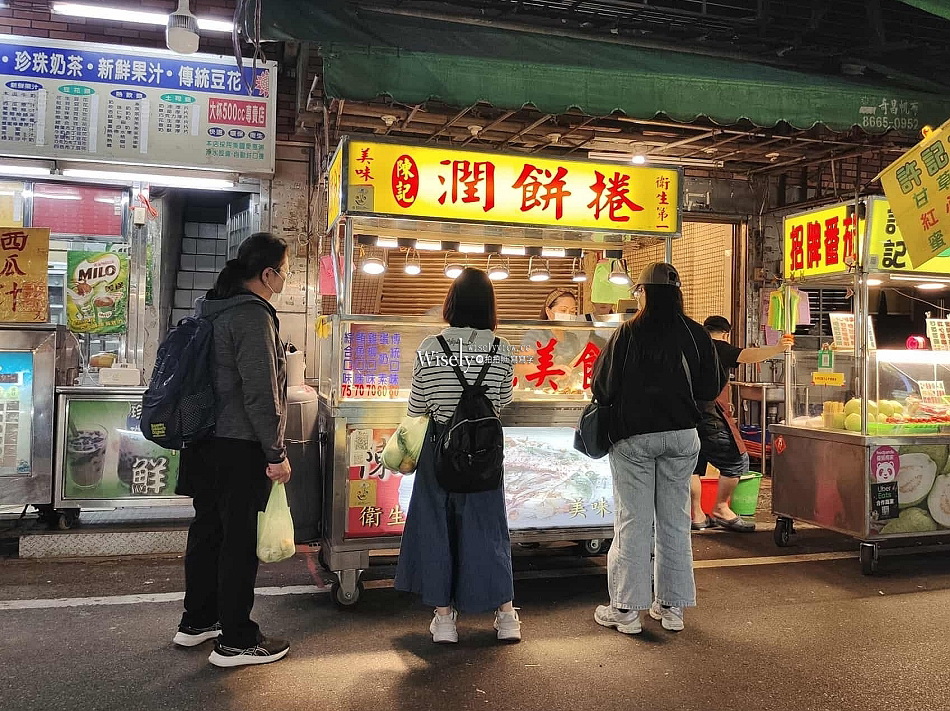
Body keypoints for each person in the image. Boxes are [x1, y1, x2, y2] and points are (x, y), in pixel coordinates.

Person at [173, 232, 292, 668]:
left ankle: (197, 621)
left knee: (208, 532)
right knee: (238, 540)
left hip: (202, 441)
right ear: (267, 274)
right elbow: (260, 394)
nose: (286, 278)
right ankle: (237, 640)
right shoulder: (251, 316)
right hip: (238, 445)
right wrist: (276, 453)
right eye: (285, 270)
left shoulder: (210, 309)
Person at [591, 262, 723, 635]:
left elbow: (601, 387)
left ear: (645, 292)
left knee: (633, 521)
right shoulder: (697, 334)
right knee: (674, 521)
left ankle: (625, 610)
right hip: (682, 437)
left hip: (634, 438)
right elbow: (710, 387)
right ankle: (671, 608)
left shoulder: (628, 333)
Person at [395, 267, 520, 643]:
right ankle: (507, 616)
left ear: (451, 302)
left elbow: (417, 406)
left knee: (437, 528)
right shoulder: (501, 348)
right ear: (489, 306)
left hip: (439, 452)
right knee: (488, 528)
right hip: (483, 452)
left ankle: (445, 620)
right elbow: (502, 402)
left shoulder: (431, 347)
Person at [690, 316, 794, 532]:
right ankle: (720, 508)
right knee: (736, 461)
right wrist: (776, 348)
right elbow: (746, 356)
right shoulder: (717, 347)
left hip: (688, 416)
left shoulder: (691, 347)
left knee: (693, 467)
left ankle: (696, 515)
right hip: (711, 415)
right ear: (725, 333)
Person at [518, 289, 586, 390]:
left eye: (572, 311)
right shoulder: (536, 334)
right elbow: (520, 364)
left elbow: (578, 366)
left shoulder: (572, 338)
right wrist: (550, 371)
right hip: (537, 393)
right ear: (549, 312)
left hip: (565, 392)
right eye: (563, 310)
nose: (568, 315)